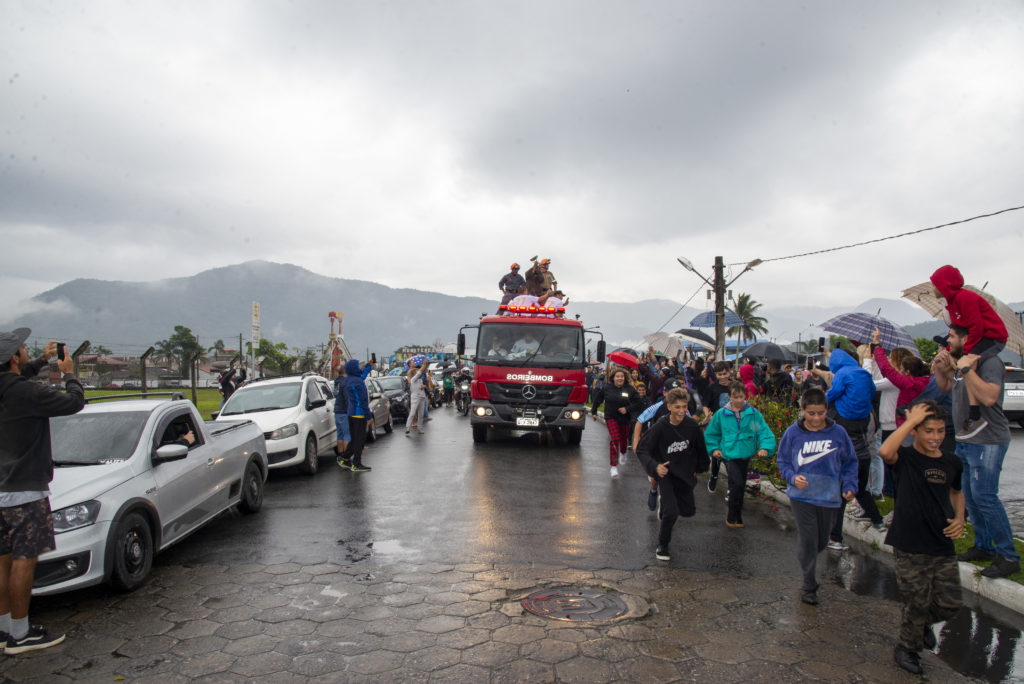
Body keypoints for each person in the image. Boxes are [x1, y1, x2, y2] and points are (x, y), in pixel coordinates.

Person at [0, 329, 85, 652]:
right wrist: (68, 374)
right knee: (24, 559)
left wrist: (39, 360)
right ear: (12, 358)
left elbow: (12, 377)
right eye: (22, 348)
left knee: (3, 559)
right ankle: (22, 635)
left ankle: (5, 627)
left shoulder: (10, 389)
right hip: (25, 489)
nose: (25, 350)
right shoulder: (27, 393)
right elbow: (74, 403)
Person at [879, 402, 965, 676]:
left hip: (941, 542)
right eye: (928, 431)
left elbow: (956, 492)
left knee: (950, 603)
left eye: (940, 431)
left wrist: (960, 519)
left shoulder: (952, 461)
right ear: (915, 431)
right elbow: (884, 451)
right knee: (917, 601)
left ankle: (919, 624)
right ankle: (907, 649)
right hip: (909, 542)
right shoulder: (905, 458)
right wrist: (909, 421)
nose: (935, 437)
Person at [933, 325, 1018, 578]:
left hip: (988, 440)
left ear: (966, 338)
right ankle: (984, 546)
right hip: (966, 439)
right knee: (970, 496)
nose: (949, 340)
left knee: (985, 497)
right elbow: (947, 388)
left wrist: (966, 369)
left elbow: (990, 397)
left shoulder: (989, 362)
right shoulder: (963, 361)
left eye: (952, 336)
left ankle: (1008, 555)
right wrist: (942, 369)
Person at [775, 389, 858, 605]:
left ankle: (806, 555)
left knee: (821, 540)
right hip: (801, 496)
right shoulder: (793, 433)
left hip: (829, 496)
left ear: (826, 410)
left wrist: (849, 485)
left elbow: (850, 462)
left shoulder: (838, 433)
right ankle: (809, 584)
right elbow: (783, 461)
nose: (816, 418)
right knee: (810, 538)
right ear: (802, 410)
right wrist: (792, 478)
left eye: (820, 413)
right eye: (811, 413)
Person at [930, 265, 1008, 438]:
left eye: (935, 284)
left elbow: (976, 328)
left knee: (967, 365)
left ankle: (975, 414)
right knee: (964, 364)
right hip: (977, 337)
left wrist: (966, 354)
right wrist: (949, 351)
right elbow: (961, 332)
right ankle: (973, 414)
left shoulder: (964, 298)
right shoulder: (951, 304)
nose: (933, 288)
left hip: (991, 337)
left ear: (944, 285)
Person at [637, 387, 709, 561]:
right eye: (677, 407)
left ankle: (667, 507)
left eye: (684, 407)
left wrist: (698, 470)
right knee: (671, 511)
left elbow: (700, 450)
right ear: (669, 407)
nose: (681, 411)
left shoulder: (691, 426)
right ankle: (662, 545)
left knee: (687, 510)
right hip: (666, 473)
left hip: (684, 472)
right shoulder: (660, 426)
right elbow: (642, 449)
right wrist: (655, 467)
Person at [824, 348, 885, 548]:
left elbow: (832, 394)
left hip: (845, 444)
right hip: (863, 441)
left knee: (841, 492)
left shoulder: (842, 374)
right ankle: (878, 521)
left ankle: (835, 537)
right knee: (860, 488)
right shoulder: (865, 374)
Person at [703, 381, 776, 528]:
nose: (738, 400)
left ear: (745, 396)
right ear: (730, 396)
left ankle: (737, 514)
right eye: (735, 397)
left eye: (741, 397)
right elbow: (712, 433)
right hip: (729, 454)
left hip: (745, 453)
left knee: (740, 485)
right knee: (737, 483)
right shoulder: (721, 414)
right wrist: (714, 449)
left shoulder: (753, 414)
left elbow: (762, 431)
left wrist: (765, 447)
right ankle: (732, 514)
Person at [591, 368, 637, 478]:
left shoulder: (630, 389)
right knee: (615, 439)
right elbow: (598, 399)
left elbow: (638, 402)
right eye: (617, 376)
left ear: (624, 378)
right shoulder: (607, 388)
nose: (620, 378)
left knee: (624, 439)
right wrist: (594, 411)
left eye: (621, 376)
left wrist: (627, 409)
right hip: (611, 417)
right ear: (613, 378)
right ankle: (613, 466)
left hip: (625, 418)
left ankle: (623, 452)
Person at [702, 361, 733, 492]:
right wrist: (708, 415)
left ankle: (732, 486)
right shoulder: (712, 388)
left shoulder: (735, 386)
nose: (723, 377)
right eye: (719, 374)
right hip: (717, 425)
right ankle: (714, 475)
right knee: (717, 454)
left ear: (729, 372)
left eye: (725, 373)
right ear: (715, 374)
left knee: (731, 454)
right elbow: (705, 405)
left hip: (733, 425)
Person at [339, 359, 373, 471]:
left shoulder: (348, 380)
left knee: (354, 439)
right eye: (358, 366)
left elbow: (361, 375)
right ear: (354, 368)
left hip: (351, 413)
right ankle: (356, 463)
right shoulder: (358, 382)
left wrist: (368, 366)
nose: (359, 367)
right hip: (359, 414)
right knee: (359, 441)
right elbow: (363, 401)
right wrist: (368, 416)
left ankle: (345, 458)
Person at [332, 363, 351, 468]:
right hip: (344, 411)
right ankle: (346, 458)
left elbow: (335, 395)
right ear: (345, 372)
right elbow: (347, 399)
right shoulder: (345, 383)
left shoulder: (336, 382)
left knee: (340, 435)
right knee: (347, 435)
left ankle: (340, 456)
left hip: (337, 411)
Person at [405, 359, 429, 436]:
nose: (417, 371)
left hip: (422, 396)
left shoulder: (419, 380)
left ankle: (420, 428)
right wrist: (424, 364)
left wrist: (423, 386)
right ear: (413, 373)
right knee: (412, 413)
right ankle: (407, 427)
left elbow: (421, 386)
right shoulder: (413, 379)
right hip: (415, 397)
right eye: (416, 371)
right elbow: (420, 372)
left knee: (420, 414)